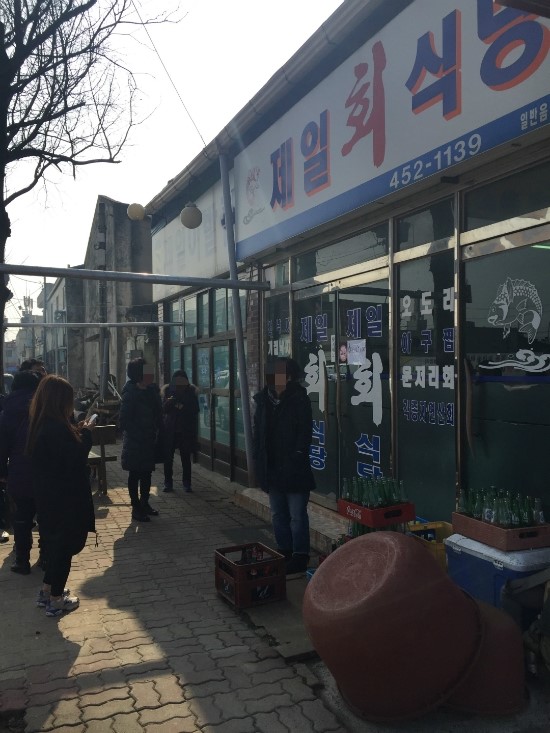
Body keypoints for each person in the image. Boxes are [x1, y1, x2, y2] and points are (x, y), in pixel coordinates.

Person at [26, 375, 95, 617]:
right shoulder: (55, 428)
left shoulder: (42, 424)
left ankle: (47, 591)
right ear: (60, 401)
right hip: (65, 500)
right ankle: (56, 600)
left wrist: (77, 431)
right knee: (64, 549)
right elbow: (73, 459)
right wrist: (86, 435)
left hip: (49, 499)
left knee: (56, 547)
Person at [253, 357, 315, 574]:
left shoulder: (299, 399)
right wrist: (258, 459)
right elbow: (257, 432)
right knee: (278, 514)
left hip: (294, 468)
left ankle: (300, 556)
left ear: (289, 377)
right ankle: (284, 551)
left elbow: (305, 433)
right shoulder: (263, 400)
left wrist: (297, 455)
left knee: (297, 515)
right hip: (271, 467)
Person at [0, 369, 42, 570]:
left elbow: (2, 447)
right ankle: (46, 558)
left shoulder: (6, 412)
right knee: (45, 516)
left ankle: (22, 560)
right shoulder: (45, 407)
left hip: (19, 471)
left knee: (22, 517)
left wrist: (2, 473)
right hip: (46, 472)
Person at [119, 358, 163, 522]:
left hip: (149, 441)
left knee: (147, 474)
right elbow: (124, 421)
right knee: (135, 474)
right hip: (135, 443)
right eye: (146, 371)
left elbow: (158, 413)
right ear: (138, 374)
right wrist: (139, 435)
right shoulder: (130, 393)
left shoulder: (151, 391)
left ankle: (145, 503)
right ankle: (136, 507)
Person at [162, 370, 199, 493]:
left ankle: (187, 483)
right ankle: (168, 483)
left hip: (185, 430)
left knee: (185, 458)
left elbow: (194, 409)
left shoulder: (190, 391)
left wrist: (179, 405)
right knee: (168, 458)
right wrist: (173, 401)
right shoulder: (168, 391)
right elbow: (165, 408)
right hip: (170, 429)